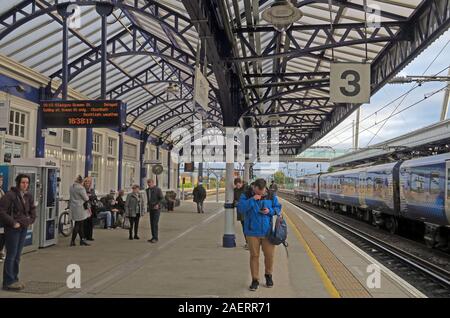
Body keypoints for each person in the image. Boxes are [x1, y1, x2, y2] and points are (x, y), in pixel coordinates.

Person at [237, 178, 281, 291]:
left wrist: (269, 211)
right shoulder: (246, 195)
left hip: (267, 232)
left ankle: (268, 275)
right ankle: (255, 279)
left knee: (269, 256)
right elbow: (241, 209)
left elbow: (278, 208)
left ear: (265, 188)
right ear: (254, 187)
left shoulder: (271, 195)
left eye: (261, 193)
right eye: (258, 192)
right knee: (254, 256)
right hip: (252, 232)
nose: (260, 194)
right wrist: (252, 199)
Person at [0, 174, 36, 291]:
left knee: (17, 256)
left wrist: (30, 220)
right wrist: (13, 223)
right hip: (12, 229)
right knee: (11, 255)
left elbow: (32, 210)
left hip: (23, 228)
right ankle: (8, 282)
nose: (25, 185)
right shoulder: (9, 195)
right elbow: (2, 212)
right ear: (18, 183)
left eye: (27, 183)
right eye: (22, 182)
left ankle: (14, 279)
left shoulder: (28, 196)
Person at [69, 176, 90, 247]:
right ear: (81, 181)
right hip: (80, 207)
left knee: (80, 224)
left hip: (73, 206)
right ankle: (72, 241)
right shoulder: (81, 188)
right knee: (78, 224)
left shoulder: (71, 187)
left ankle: (82, 240)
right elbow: (86, 198)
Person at [233, 178, 247, 249]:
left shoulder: (246, 190)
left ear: (241, 183)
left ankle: (249, 243)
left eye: (239, 184)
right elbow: (234, 199)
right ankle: (247, 242)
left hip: (247, 211)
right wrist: (235, 202)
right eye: (236, 184)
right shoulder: (235, 190)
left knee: (247, 227)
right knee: (244, 227)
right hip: (240, 211)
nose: (238, 185)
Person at [0, 175, 6, 262]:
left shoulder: (1, 190)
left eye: (1, 180)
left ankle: (1, 252)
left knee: (2, 235)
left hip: (2, 217)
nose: (1, 182)